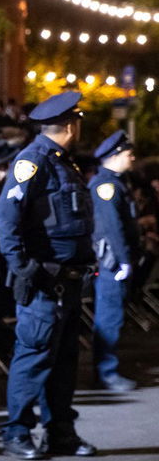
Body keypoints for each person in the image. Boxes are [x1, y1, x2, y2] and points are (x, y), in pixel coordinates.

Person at [0, 90, 95, 460]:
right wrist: (25, 268)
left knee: (63, 361)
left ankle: (60, 432)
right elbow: (8, 219)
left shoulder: (63, 163)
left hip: (66, 281)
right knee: (33, 356)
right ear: (70, 125)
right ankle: (17, 431)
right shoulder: (33, 162)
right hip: (44, 281)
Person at [89, 130, 138, 392]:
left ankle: (106, 370)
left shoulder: (115, 182)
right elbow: (112, 227)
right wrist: (122, 260)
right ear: (116, 155)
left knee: (111, 315)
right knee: (109, 317)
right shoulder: (105, 185)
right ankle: (106, 371)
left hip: (113, 261)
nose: (132, 158)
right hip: (111, 261)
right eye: (129, 154)